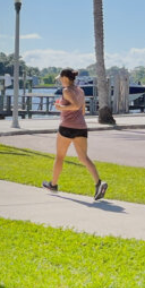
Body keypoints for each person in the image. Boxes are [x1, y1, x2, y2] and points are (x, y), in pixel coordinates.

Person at [43, 68, 108, 200]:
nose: (60, 81)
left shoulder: (66, 90)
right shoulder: (81, 90)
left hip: (66, 127)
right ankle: (98, 183)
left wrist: (62, 108)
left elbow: (76, 106)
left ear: (65, 78)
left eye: (61, 78)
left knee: (60, 157)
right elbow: (82, 110)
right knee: (83, 158)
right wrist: (71, 112)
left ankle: (53, 185)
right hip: (81, 127)